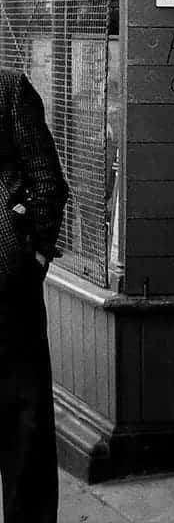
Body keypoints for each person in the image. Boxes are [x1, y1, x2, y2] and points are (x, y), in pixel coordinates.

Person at [0, 68, 69, 523]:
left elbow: (49, 183)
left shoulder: (8, 89)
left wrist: (36, 258)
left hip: (7, 298)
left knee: (25, 435)